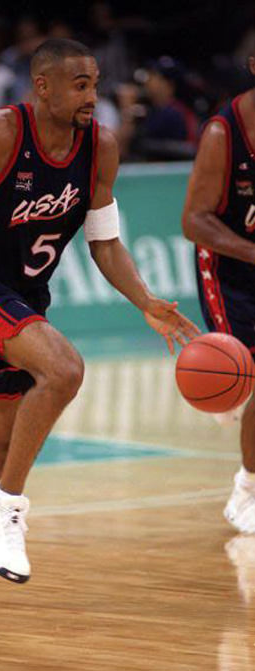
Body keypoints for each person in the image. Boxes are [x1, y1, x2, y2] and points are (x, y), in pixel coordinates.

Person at [0, 38, 198, 610]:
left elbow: (105, 243)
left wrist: (145, 300)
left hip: (24, 296)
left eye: (95, 83)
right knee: (65, 369)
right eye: (80, 84)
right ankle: (7, 509)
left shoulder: (100, 147)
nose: (92, 96)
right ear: (42, 86)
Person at [182, 52, 255, 533]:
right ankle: (248, 488)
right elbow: (193, 220)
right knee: (247, 377)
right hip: (228, 269)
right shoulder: (222, 133)